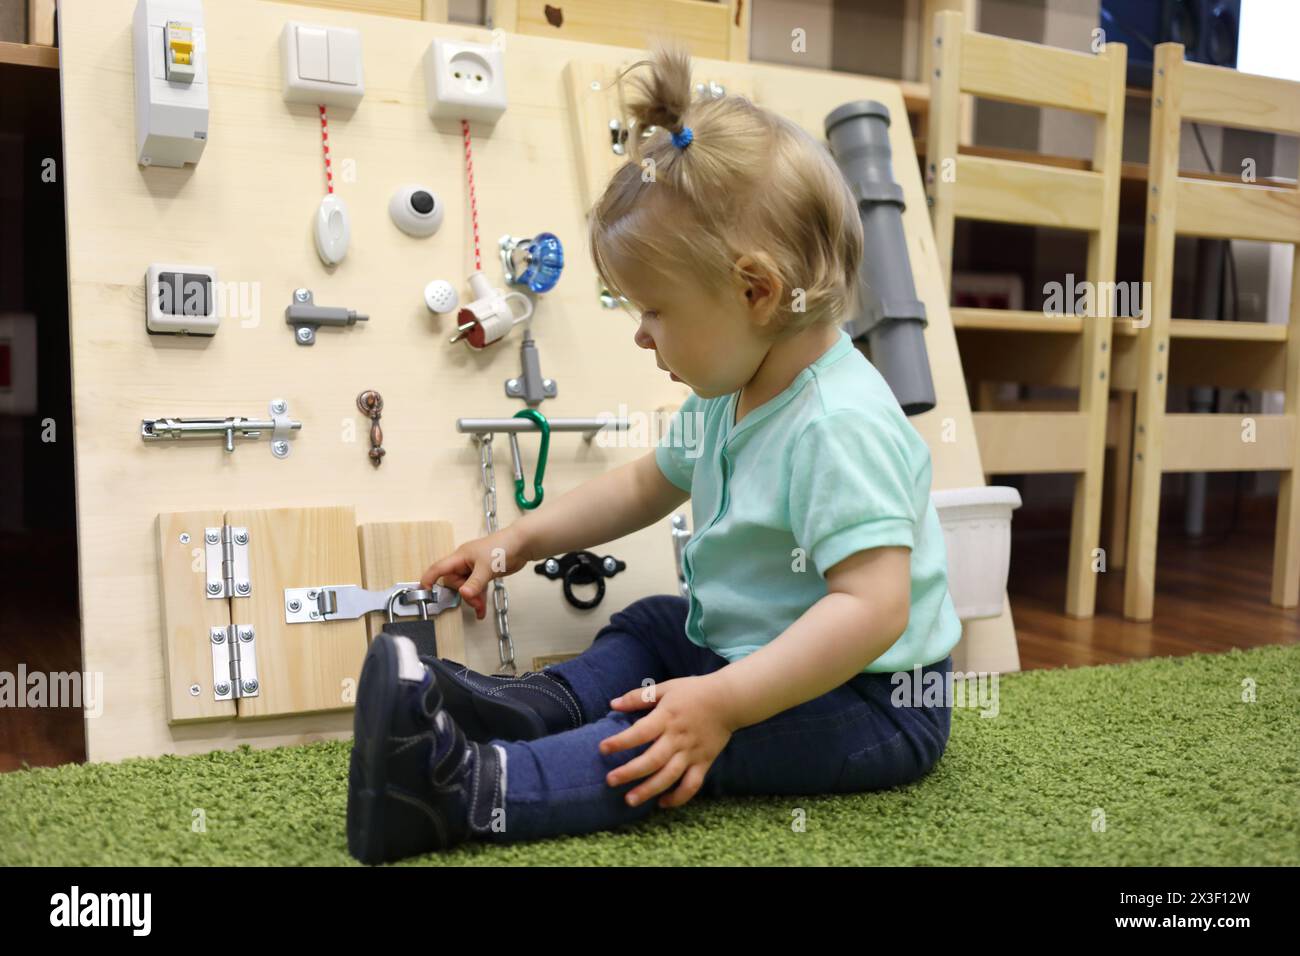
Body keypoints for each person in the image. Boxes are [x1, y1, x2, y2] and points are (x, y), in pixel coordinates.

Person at [346, 43, 962, 865]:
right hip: (755, 651)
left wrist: (723, 704)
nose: (641, 334)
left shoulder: (838, 424)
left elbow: (874, 610)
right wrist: (515, 542)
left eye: (656, 310)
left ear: (757, 291)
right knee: (653, 624)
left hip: (872, 699)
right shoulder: (726, 396)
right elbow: (642, 483)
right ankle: (537, 706)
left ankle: (460, 788)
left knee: (661, 737)